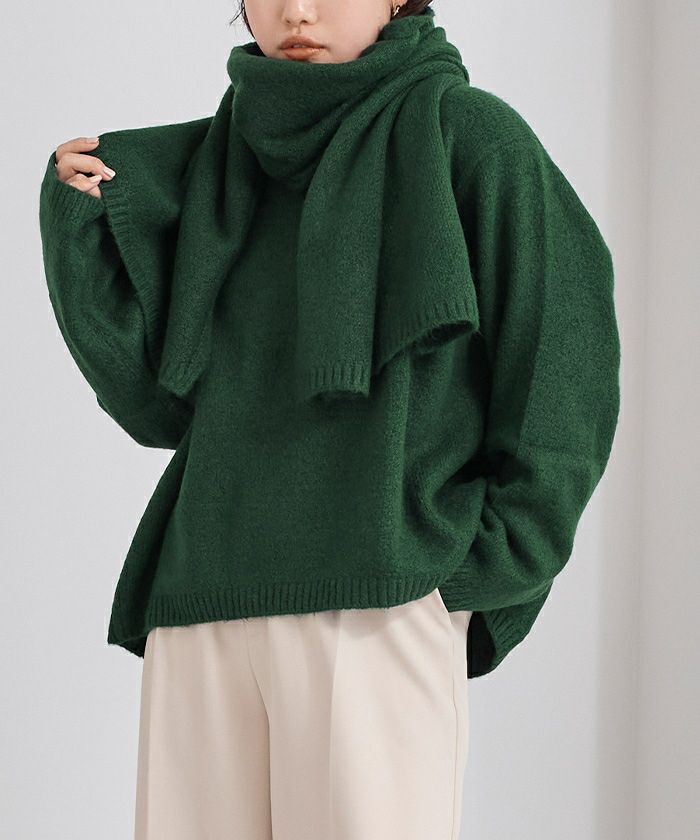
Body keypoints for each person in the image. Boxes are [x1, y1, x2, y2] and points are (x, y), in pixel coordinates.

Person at [38, 1, 621, 837]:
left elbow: (564, 374)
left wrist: (456, 577)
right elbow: (154, 407)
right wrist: (77, 233)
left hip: (377, 604)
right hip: (201, 597)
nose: (298, 10)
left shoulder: (469, 137)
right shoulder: (213, 165)